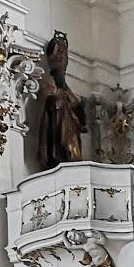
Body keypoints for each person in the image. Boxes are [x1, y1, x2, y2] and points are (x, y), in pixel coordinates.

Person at [36, 31, 86, 169]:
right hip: (56, 123)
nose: (63, 57)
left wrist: (78, 105)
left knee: (73, 149)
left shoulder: (65, 86)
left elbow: (75, 105)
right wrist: (59, 98)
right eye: (60, 53)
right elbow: (47, 99)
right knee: (64, 147)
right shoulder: (48, 81)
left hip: (68, 125)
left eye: (64, 54)